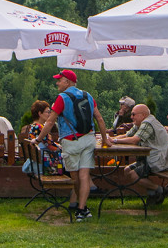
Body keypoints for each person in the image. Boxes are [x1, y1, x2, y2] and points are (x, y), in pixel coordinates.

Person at [33, 70, 112, 222]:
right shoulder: (88, 96)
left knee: (75, 178)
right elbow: (100, 119)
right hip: (89, 139)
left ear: (67, 82)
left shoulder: (62, 98)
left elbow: (50, 122)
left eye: (60, 80)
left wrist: (38, 139)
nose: (57, 83)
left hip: (71, 141)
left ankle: (81, 209)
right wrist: (104, 139)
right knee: (85, 176)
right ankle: (82, 209)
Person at [112, 104, 168, 206]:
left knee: (133, 174)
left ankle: (159, 190)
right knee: (127, 170)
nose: (131, 117)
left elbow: (135, 140)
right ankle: (153, 193)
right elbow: (127, 135)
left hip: (161, 161)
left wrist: (114, 141)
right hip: (151, 158)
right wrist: (111, 139)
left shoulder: (147, 123)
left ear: (143, 115)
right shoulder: (140, 124)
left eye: (133, 114)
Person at [24, 100, 64, 177]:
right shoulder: (39, 127)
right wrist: (61, 147)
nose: (50, 114)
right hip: (46, 165)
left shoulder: (33, 126)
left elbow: (48, 142)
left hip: (38, 161)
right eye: (47, 112)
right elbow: (49, 145)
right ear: (40, 113)